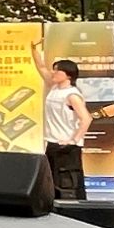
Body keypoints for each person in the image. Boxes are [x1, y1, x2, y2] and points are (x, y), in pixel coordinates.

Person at [33, 43, 91, 202]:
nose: (53, 72)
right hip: (52, 142)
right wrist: (34, 49)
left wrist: (73, 140)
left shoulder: (72, 95)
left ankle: (73, 209)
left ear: (68, 75)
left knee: (67, 184)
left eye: (57, 70)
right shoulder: (54, 88)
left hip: (67, 146)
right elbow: (41, 67)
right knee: (51, 181)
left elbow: (86, 118)